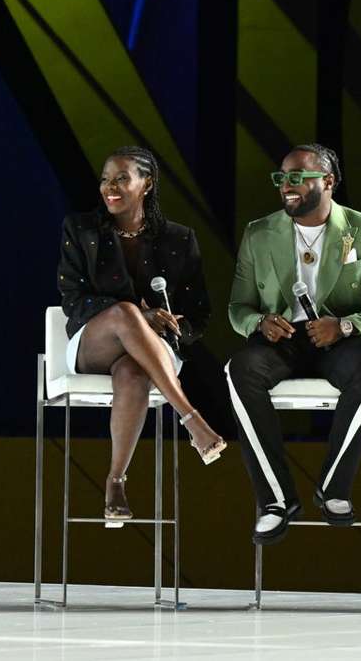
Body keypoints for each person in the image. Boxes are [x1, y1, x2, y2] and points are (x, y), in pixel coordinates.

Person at [225, 143, 361, 545]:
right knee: (239, 369)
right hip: (284, 339)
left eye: (297, 177)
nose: (286, 186)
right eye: (281, 178)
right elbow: (237, 308)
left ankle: (334, 488)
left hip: (342, 340)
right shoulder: (259, 233)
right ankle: (275, 500)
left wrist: (344, 326)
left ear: (328, 181)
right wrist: (259, 322)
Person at [58, 146, 226, 521]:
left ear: (146, 184)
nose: (110, 187)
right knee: (125, 313)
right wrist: (140, 316)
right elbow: (72, 299)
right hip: (94, 344)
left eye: (121, 178)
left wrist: (174, 325)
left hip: (153, 354)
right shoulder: (81, 229)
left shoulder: (180, 239)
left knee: (134, 374)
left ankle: (115, 481)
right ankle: (192, 419)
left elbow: (198, 315)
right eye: (105, 179)